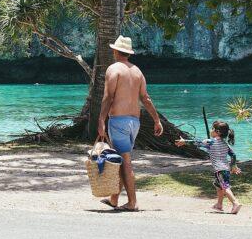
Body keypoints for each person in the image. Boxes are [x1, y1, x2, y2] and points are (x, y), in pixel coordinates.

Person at [96, 36, 163, 212]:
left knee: (125, 161)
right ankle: (114, 199)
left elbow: (108, 97)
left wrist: (101, 119)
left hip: (118, 121)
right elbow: (146, 98)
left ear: (115, 51)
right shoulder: (137, 71)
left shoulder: (114, 69)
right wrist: (156, 120)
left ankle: (132, 202)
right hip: (135, 122)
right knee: (120, 158)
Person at [177, 121, 243, 214]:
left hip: (220, 170)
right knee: (218, 185)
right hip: (225, 169)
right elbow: (233, 155)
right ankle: (219, 205)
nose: (211, 130)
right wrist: (233, 166)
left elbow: (197, 143)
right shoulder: (225, 144)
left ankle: (235, 203)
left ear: (218, 132)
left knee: (225, 187)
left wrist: (184, 142)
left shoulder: (211, 142)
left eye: (212, 129)